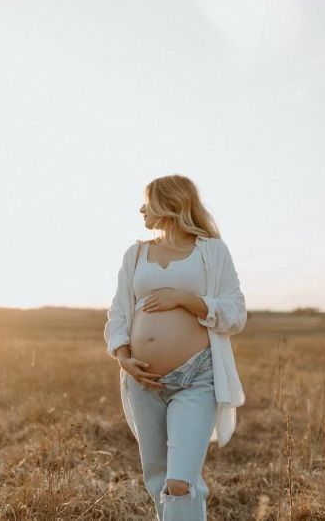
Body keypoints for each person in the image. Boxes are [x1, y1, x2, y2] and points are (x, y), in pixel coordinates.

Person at [104, 174, 247, 521]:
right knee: (158, 481)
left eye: (148, 201)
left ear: (170, 203)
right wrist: (123, 358)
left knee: (180, 481)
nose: (141, 209)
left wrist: (186, 300)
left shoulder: (212, 251)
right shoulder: (135, 254)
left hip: (197, 377)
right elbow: (118, 312)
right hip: (143, 381)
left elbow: (235, 313)